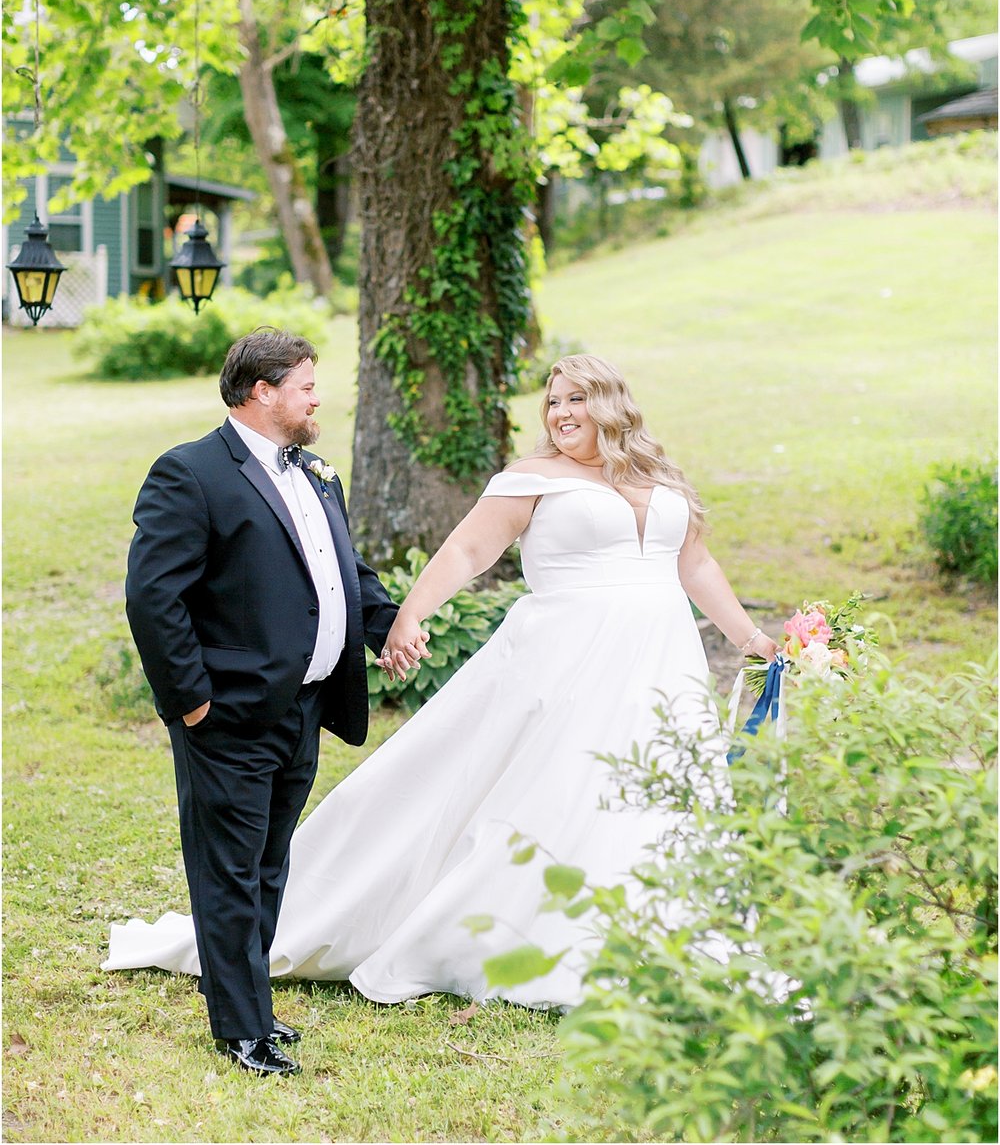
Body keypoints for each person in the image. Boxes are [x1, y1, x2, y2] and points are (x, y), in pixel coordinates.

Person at [107, 353, 777, 1021]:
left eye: (578, 399)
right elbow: (465, 551)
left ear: (614, 404)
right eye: (553, 402)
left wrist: (752, 639)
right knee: (561, 790)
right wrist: (407, 619)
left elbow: (695, 563)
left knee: (661, 792)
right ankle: (543, 937)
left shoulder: (658, 480)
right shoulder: (531, 478)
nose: (562, 413)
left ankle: (663, 928)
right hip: (568, 663)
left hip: (663, 663)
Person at [121, 328, 402, 1076]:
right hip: (229, 715)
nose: (318, 398)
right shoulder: (190, 473)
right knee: (227, 873)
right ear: (263, 390)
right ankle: (240, 1030)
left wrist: (388, 628)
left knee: (270, 864)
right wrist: (192, 704)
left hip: (302, 709)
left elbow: (345, 571)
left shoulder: (313, 473)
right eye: (307, 385)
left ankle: (255, 1007)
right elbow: (154, 599)